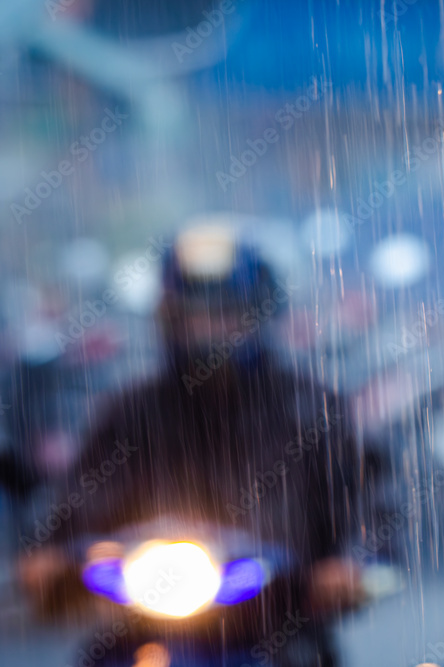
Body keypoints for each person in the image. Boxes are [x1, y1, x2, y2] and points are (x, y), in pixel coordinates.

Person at [20, 223, 364, 666]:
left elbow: (365, 499)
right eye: (196, 315)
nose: (211, 329)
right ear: (170, 319)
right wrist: (49, 555)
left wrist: (351, 561)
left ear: (258, 315)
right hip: (141, 625)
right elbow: (78, 503)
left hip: (278, 627)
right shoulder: (131, 410)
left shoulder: (310, 409)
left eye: (226, 313)